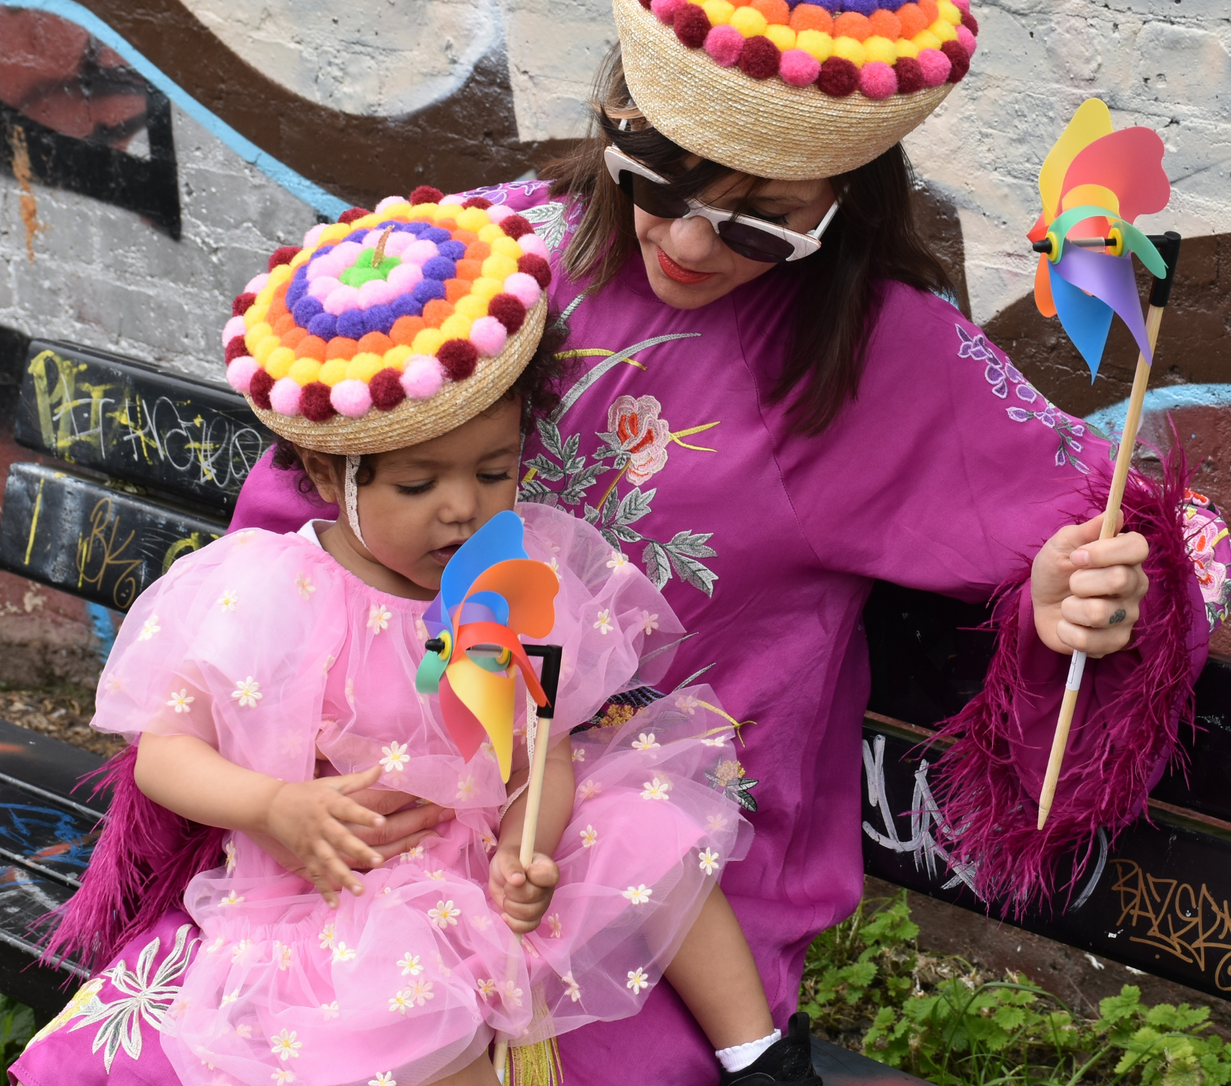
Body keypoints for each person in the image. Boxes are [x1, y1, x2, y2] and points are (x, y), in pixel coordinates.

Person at [24, 0, 1231, 1086]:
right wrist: (292, 789)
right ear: (615, 108)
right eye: (657, 171)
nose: (690, 242)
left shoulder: (880, 359)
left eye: (761, 219)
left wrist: (1074, 594)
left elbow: (1169, 526)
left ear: (846, 200)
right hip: (365, 821)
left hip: (645, 871)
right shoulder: (498, 256)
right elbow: (314, 492)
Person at [14, 196, 821, 1086]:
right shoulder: (274, 589)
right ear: (328, 472)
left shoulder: (517, 569)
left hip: (489, 842)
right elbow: (165, 754)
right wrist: (273, 808)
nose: (462, 506)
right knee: (399, 1027)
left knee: (646, 822)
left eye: (492, 470)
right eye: (416, 481)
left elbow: (546, 745)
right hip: (351, 877)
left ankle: (763, 1057)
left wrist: (528, 843)